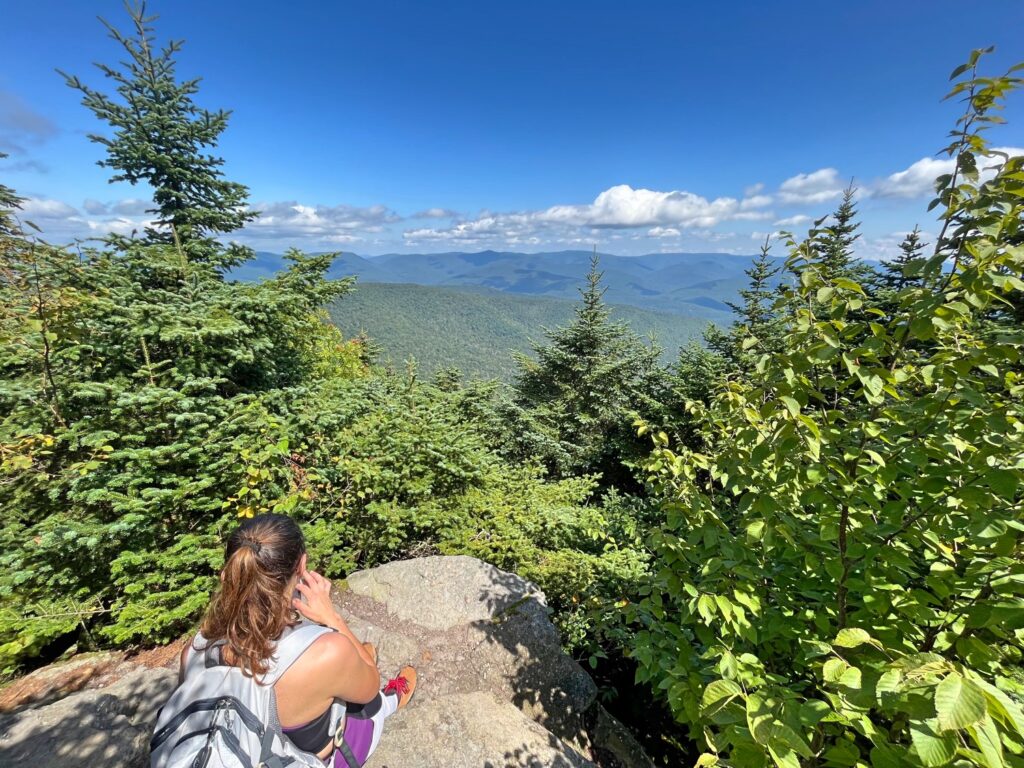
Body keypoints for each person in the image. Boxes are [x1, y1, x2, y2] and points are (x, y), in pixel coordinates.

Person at [180, 513, 416, 766]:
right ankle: (391, 701)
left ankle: (354, 665)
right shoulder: (327, 652)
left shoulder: (196, 649)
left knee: (349, 662)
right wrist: (332, 617)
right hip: (317, 756)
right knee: (370, 701)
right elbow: (370, 686)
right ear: (301, 565)